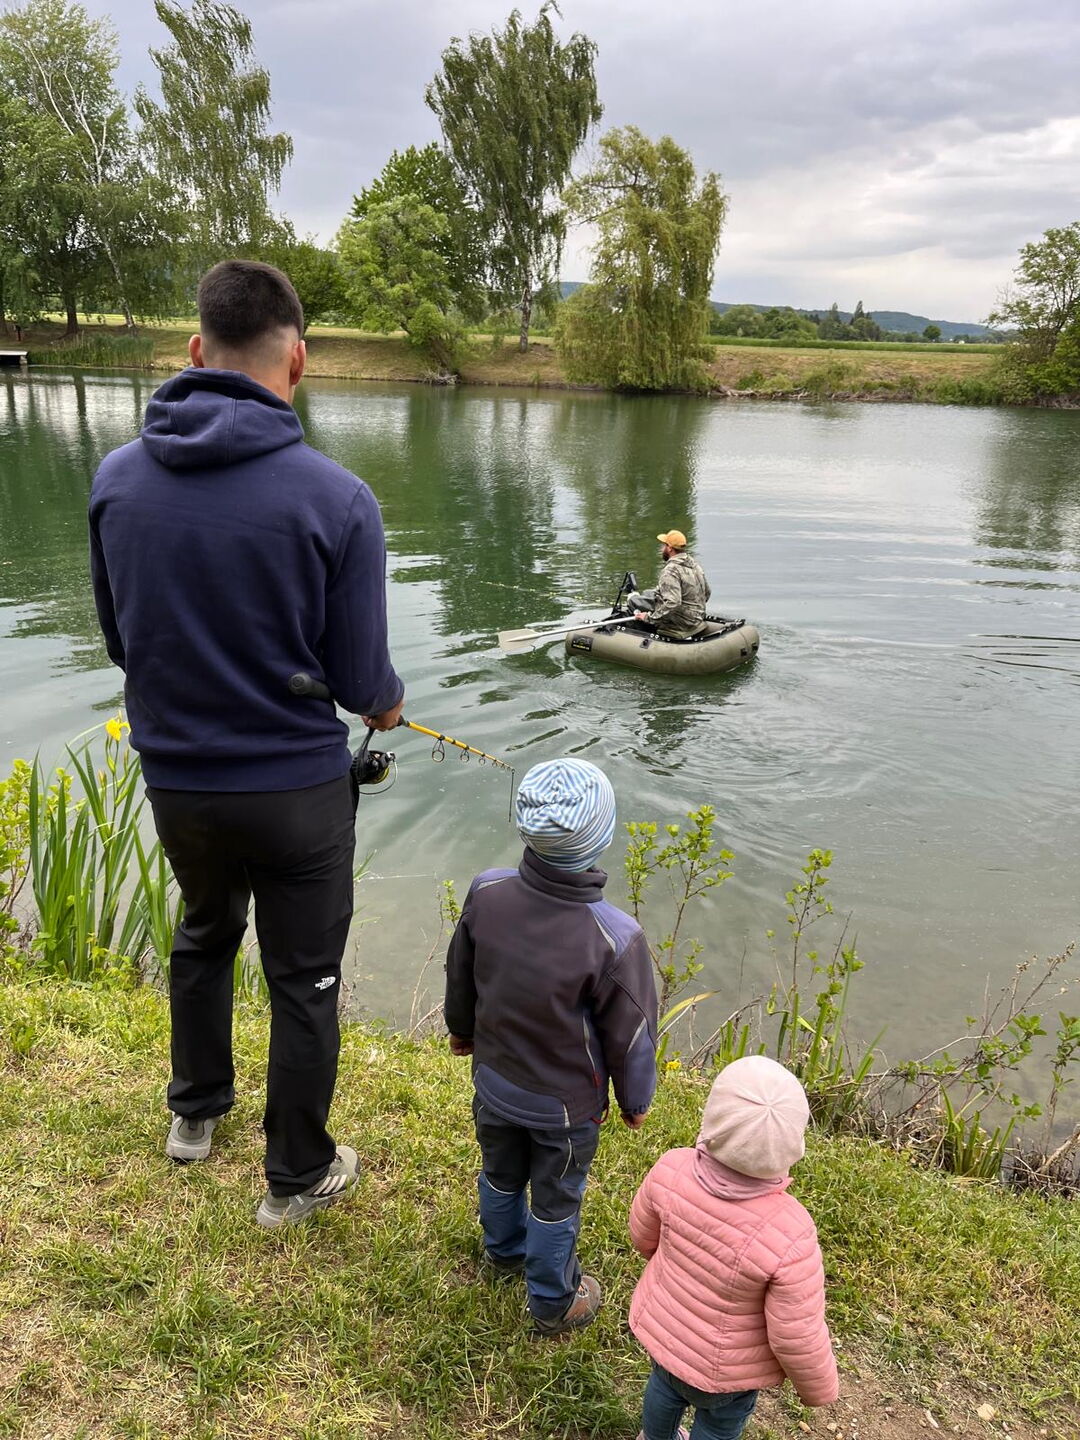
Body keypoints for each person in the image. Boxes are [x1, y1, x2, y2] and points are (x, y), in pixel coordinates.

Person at [88, 259, 404, 1228]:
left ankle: (194, 1112)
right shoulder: (339, 500)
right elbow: (363, 684)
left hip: (178, 783)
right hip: (296, 796)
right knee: (304, 979)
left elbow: (121, 642)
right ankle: (296, 1174)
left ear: (196, 350)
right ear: (296, 360)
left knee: (205, 927)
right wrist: (386, 705)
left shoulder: (115, 480)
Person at [444, 757, 658, 1337]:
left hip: (493, 1082)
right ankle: (552, 1300)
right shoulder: (616, 937)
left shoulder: (487, 891)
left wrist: (461, 1029)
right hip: (565, 1110)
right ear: (602, 836)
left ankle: (502, 1251)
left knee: (500, 1170)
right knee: (556, 1197)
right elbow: (630, 1034)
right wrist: (635, 1099)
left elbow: (462, 973)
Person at [628, 1056, 839, 1440]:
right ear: (794, 1145)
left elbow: (643, 1237)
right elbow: (796, 1334)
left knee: (663, 1393)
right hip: (727, 1374)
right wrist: (818, 1390)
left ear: (711, 1118)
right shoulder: (791, 1231)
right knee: (719, 1425)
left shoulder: (670, 1169)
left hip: (666, 1338)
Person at [629, 529, 711, 639]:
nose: (661, 549)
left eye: (663, 545)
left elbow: (673, 603)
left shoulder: (670, 571)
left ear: (669, 548)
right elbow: (707, 593)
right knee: (648, 593)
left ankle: (644, 635)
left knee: (634, 601)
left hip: (683, 623)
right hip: (697, 618)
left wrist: (649, 618)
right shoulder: (695, 565)